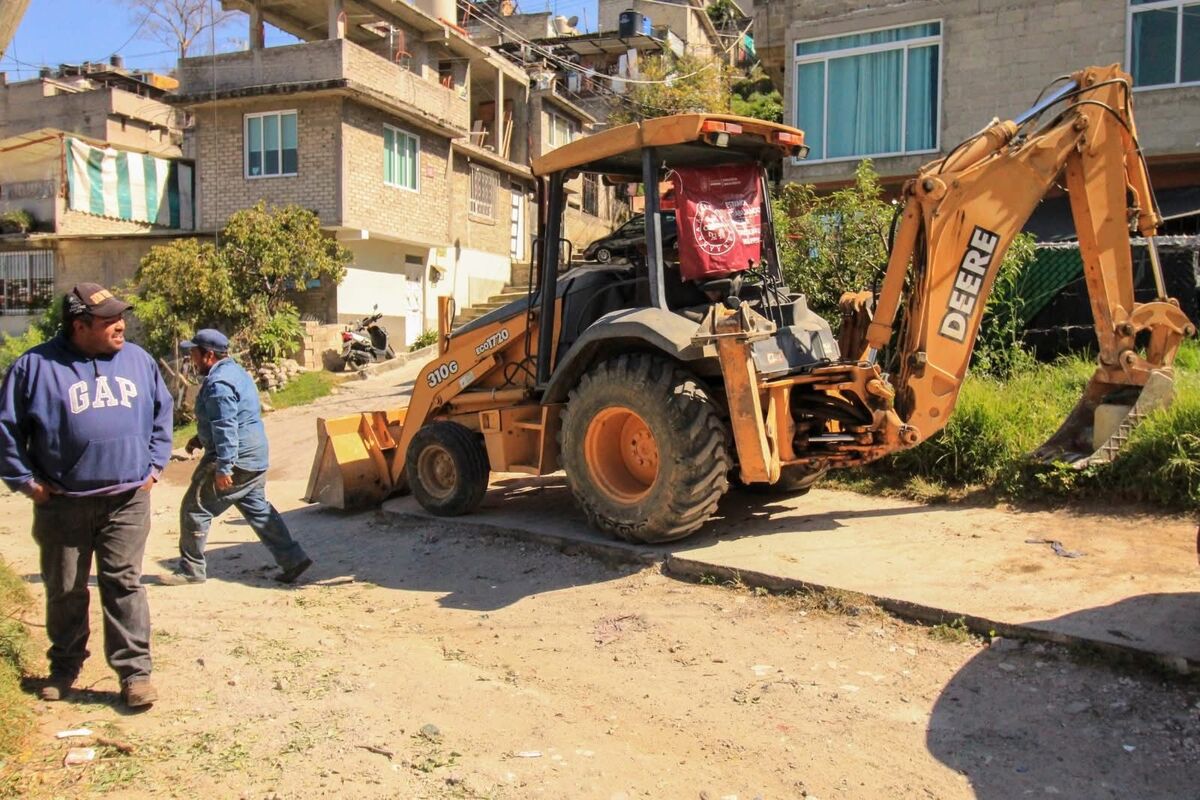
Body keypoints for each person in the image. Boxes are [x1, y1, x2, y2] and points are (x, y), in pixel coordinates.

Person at [0, 283, 172, 708]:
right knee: (65, 587)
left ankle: (135, 674)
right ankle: (64, 667)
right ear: (80, 326)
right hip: (63, 504)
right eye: (110, 319)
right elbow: (7, 430)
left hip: (127, 500)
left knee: (124, 584)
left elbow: (162, 412)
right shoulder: (34, 368)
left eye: (120, 316)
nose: (121, 325)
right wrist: (26, 482)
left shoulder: (138, 360)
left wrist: (154, 466)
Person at [164, 329, 312, 586]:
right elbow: (231, 416)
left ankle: (191, 570)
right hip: (254, 455)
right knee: (257, 509)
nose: (192, 359)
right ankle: (293, 559)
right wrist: (200, 437)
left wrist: (224, 467)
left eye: (194, 354)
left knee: (194, 508)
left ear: (209, 355)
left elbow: (226, 426)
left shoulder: (219, 384)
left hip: (236, 458)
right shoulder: (237, 373)